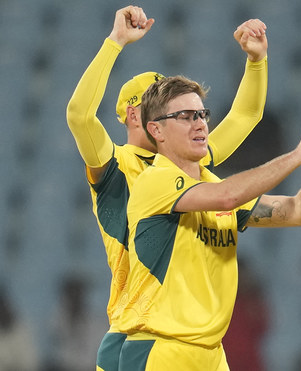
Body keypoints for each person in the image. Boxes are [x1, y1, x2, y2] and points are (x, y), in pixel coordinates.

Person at [65, 5, 269, 371]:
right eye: (160, 104)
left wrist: (256, 62)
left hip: (183, 337)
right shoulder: (115, 165)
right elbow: (80, 115)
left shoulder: (190, 162)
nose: (185, 117)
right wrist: (115, 42)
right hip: (134, 330)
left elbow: (245, 116)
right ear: (134, 115)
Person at [115, 75, 301, 370]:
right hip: (161, 350)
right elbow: (227, 197)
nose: (199, 124)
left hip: (211, 353)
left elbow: (297, 210)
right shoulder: (155, 181)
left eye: (201, 115)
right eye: (184, 117)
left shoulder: (211, 186)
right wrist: (299, 153)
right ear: (156, 129)